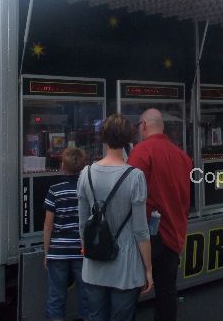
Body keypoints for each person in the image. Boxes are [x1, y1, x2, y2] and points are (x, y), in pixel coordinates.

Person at [77, 114, 153, 321]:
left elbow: (82, 223)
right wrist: (148, 269)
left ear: (103, 138)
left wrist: (87, 246)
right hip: (126, 266)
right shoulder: (135, 176)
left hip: (94, 264)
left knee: (95, 316)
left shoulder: (86, 173)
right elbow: (141, 230)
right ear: (128, 139)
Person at [127, 108, 192, 321]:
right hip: (173, 232)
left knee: (130, 291)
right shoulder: (182, 156)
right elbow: (185, 200)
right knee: (167, 292)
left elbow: (131, 195)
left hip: (147, 235)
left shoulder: (141, 152)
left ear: (144, 125)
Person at [43, 147, 89, 321]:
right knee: (86, 296)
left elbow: (48, 225)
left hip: (58, 252)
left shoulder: (54, 190)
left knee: (56, 296)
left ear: (63, 166)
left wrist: (46, 253)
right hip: (81, 251)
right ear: (83, 166)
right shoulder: (87, 189)